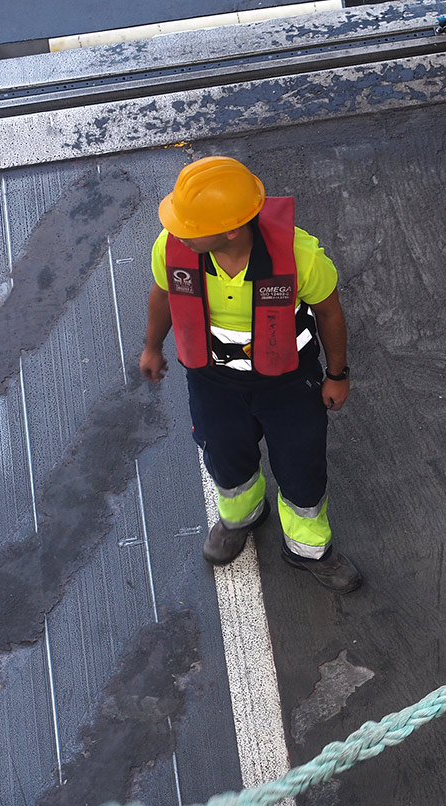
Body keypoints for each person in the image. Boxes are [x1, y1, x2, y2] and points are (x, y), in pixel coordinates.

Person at [140, 155, 362, 593]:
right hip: (213, 381)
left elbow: (330, 314)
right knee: (224, 454)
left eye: (190, 223)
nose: (178, 229)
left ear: (230, 230)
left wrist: (338, 374)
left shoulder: (299, 255)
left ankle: (308, 550)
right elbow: (162, 297)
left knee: (300, 463)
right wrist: (151, 347)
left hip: (289, 384)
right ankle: (241, 517)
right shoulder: (171, 247)